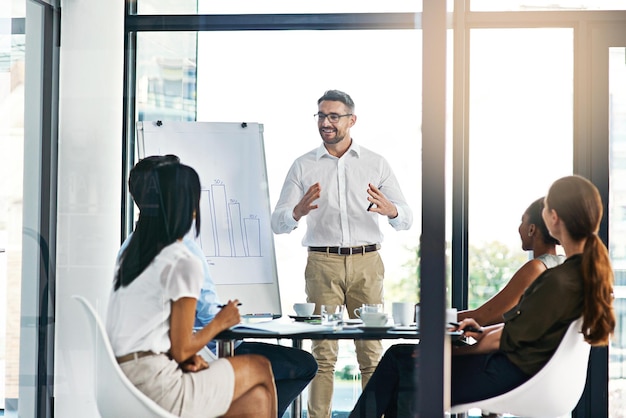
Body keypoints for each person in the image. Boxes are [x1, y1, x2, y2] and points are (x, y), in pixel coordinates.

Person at [350, 175, 615, 417]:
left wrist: (446, 353)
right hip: (525, 371)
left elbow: (505, 340)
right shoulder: (581, 273)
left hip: (509, 375)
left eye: (546, 209)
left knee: (402, 361)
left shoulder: (558, 280)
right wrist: (476, 334)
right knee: (405, 362)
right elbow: (518, 329)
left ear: (554, 218)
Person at [120, 155, 318, 417]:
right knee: (296, 364)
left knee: (260, 388)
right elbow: (201, 323)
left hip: (140, 369)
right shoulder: (181, 253)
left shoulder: (129, 248)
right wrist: (225, 318)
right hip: (181, 366)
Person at [271, 89, 413, 418]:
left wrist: (391, 210)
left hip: (367, 262)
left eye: (334, 116)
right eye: (321, 115)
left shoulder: (376, 163)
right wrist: (297, 211)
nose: (326, 122)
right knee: (323, 353)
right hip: (322, 263)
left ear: (352, 120)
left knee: (371, 353)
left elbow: (406, 217)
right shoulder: (303, 166)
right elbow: (277, 222)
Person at [457, 196, 565, 326]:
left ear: (532, 229)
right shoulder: (563, 263)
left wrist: (435, 317)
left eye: (522, 221)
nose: (519, 228)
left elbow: (482, 317)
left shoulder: (537, 267)